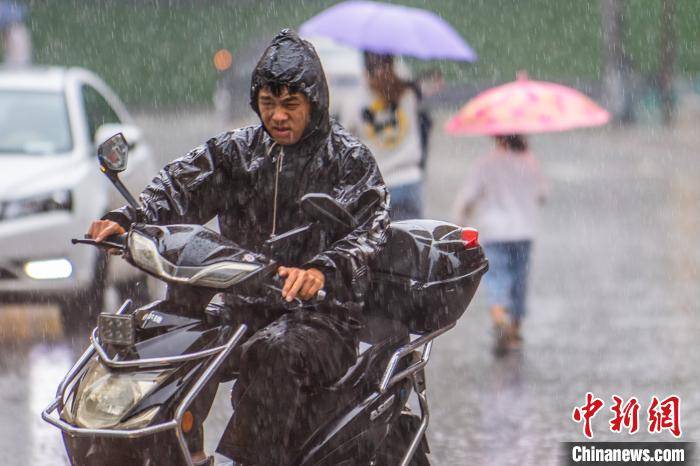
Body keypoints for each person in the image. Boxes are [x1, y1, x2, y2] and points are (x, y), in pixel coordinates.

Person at [87, 29, 390, 465]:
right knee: (173, 333)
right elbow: (180, 184)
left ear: (315, 103)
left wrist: (322, 270)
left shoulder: (348, 159)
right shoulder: (239, 151)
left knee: (273, 351)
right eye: (269, 104)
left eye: (291, 105)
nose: (278, 116)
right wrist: (128, 218)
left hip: (323, 316)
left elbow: (370, 228)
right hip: (245, 302)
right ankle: (177, 451)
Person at [452, 134, 547, 353]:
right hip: (523, 231)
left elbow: (468, 196)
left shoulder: (486, 163)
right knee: (518, 281)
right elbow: (542, 194)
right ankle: (514, 330)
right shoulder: (530, 161)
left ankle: (499, 316)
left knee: (496, 278)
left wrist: (460, 221)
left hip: (494, 232)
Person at [345, 52, 424, 220]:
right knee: (410, 242)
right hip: (409, 177)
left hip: (377, 183)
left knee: (379, 243)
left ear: (366, 69)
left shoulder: (357, 98)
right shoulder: (407, 92)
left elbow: (346, 138)